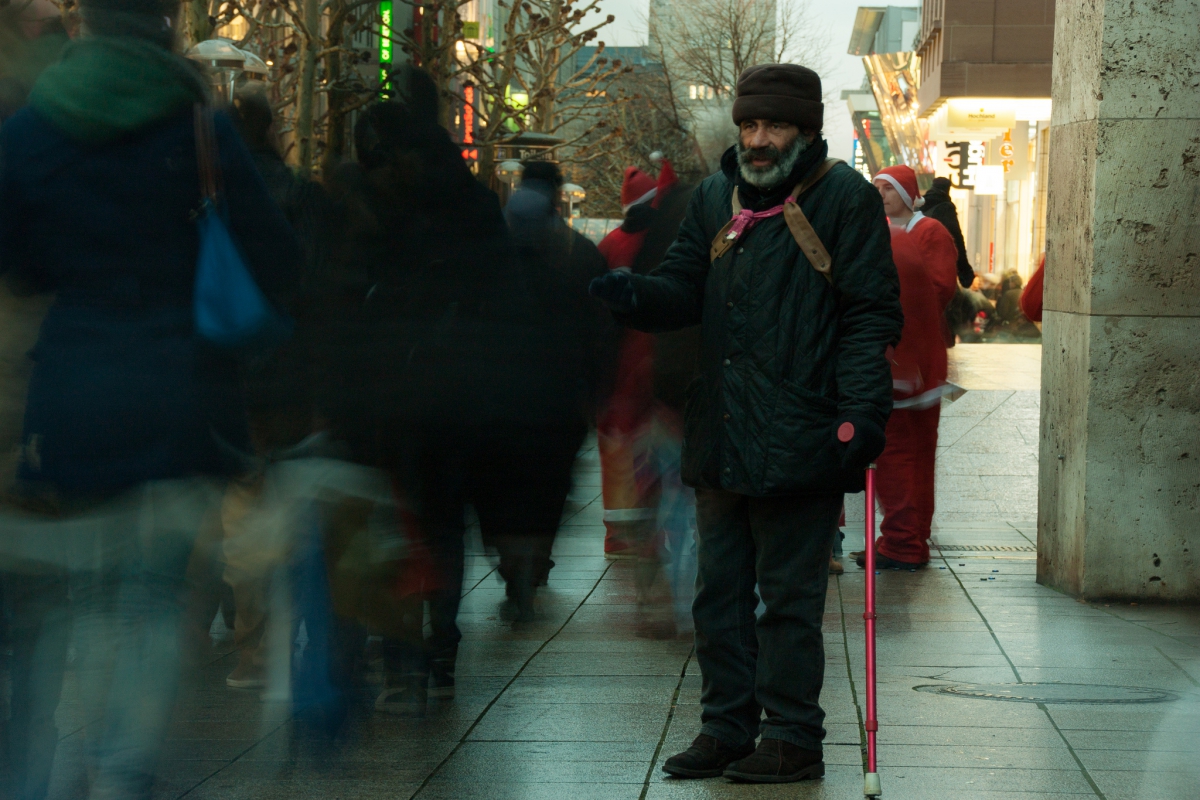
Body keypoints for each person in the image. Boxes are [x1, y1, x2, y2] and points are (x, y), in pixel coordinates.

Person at [0, 0, 301, 796]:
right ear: (164, 27)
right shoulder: (201, 129)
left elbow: (18, 259)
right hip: (183, 394)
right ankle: (127, 767)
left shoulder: (33, 130)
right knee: (156, 593)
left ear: (88, 27)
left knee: (85, 594)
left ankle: (73, 758)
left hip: (71, 392)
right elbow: (274, 254)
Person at [590, 63, 903, 783]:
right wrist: (633, 295)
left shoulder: (844, 200)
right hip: (723, 427)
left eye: (775, 127)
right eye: (750, 127)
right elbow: (682, 290)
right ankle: (726, 728)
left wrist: (861, 412)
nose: (759, 141)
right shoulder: (714, 198)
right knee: (718, 593)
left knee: (789, 601)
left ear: (806, 129)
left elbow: (868, 315)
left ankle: (793, 737)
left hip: (804, 429)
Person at [857, 165, 958, 569]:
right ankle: (908, 536)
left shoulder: (927, 232)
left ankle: (905, 540)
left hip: (908, 360)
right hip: (911, 362)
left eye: (888, 187)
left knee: (902, 453)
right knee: (909, 453)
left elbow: (939, 288)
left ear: (906, 192)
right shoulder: (887, 231)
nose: (880, 193)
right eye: (876, 186)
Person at [595, 161, 679, 560]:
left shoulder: (612, 243)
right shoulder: (670, 239)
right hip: (660, 354)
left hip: (618, 361)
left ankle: (621, 536)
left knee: (617, 448)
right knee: (657, 447)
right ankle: (654, 534)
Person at [921, 176, 973, 288]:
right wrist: (964, 269)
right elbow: (956, 237)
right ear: (947, 189)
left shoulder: (918, 205)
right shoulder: (945, 207)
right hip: (938, 264)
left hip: (918, 261)